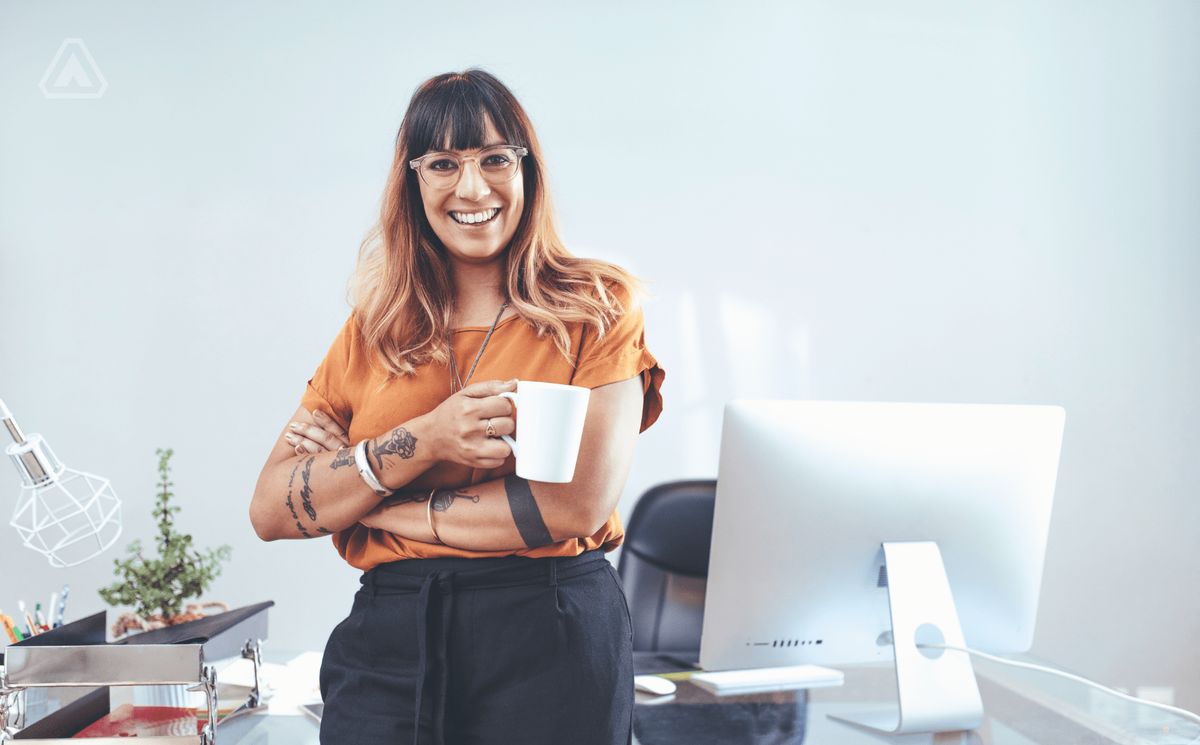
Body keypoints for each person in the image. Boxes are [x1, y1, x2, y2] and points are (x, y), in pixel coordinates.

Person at [248, 69, 665, 745]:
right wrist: (427, 439)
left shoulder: (598, 307)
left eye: (495, 159)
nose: (472, 189)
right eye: (443, 163)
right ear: (412, 181)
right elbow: (271, 507)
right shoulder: (374, 330)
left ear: (528, 170)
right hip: (390, 639)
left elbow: (574, 507)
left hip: (550, 633)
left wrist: (365, 495)